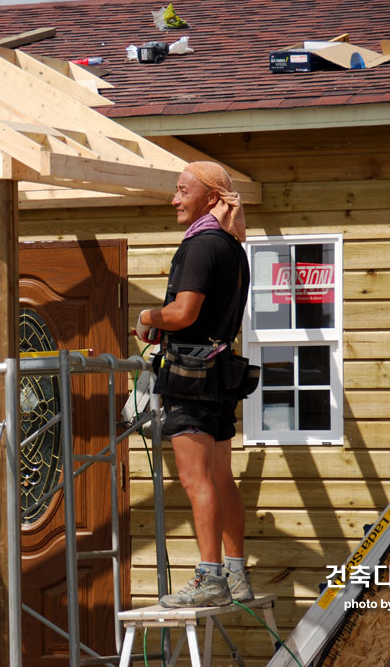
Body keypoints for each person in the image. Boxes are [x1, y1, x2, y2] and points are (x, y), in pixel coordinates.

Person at [135, 161, 253, 608]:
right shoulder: (231, 247)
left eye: (183, 191)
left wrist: (147, 316)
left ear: (210, 198)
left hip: (191, 378)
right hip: (220, 375)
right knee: (221, 477)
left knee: (194, 478)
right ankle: (235, 574)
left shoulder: (201, 246)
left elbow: (183, 313)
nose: (174, 199)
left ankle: (210, 577)